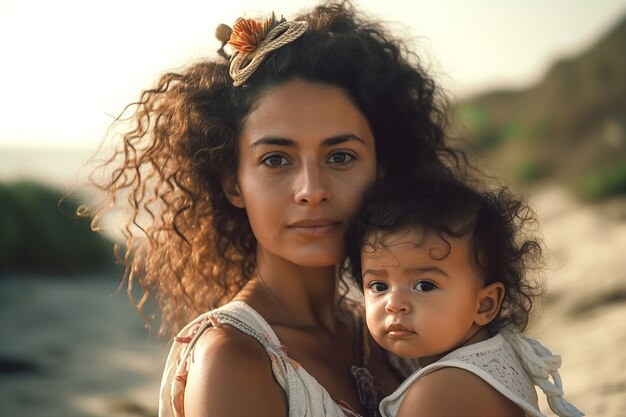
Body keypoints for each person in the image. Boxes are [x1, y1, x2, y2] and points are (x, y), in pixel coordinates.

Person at [89, 1, 464, 416]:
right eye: (275, 160)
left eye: (340, 157)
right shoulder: (233, 359)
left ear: (382, 169)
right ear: (233, 182)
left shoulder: (394, 331)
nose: (311, 190)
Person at [344, 174, 584, 417]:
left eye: (424, 286)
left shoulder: (438, 394)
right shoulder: (495, 352)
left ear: (484, 305)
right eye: (378, 286)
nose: (394, 304)